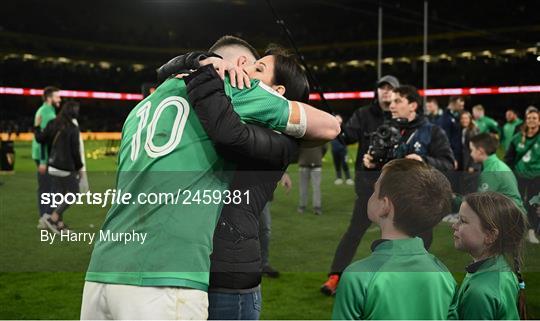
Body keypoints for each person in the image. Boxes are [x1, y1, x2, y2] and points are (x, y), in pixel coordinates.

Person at [81, 36, 338, 320]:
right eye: (253, 66)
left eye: (259, 69)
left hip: (105, 265)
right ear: (237, 64)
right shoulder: (234, 89)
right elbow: (329, 127)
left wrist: (189, 61)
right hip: (166, 270)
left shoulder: (147, 103)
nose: (249, 73)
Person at [322, 84, 454, 295]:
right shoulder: (384, 129)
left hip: (415, 203)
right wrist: (369, 165)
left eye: (397, 101)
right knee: (353, 234)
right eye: (390, 101)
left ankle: (410, 287)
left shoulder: (431, 131)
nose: (391, 105)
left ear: (412, 105)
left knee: (418, 246)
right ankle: (335, 276)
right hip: (379, 197)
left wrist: (423, 160)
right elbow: (374, 165)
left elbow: (449, 163)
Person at [332, 159, 457, 320]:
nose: (372, 192)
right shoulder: (443, 274)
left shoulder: (357, 277)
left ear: (385, 206)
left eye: (375, 189)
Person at [452, 192, 527, 319]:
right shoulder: (501, 267)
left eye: (463, 221)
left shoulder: (479, 293)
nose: (454, 225)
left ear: (490, 235)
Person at [34, 101, 82, 233]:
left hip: (53, 166)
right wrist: (79, 168)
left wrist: (37, 126)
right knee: (74, 193)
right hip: (66, 167)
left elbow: (40, 139)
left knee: (59, 195)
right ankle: (53, 218)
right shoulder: (73, 128)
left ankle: (59, 224)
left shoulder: (53, 123)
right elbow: (75, 151)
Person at [505, 107, 540, 244]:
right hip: (519, 175)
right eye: (529, 118)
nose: (531, 120)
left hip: (537, 177)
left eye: (534, 118)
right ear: (526, 120)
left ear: (539, 121)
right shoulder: (517, 138)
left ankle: (531, 232)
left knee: (533, 203)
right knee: (515, 202)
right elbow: (509, 158)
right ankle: (516, 230)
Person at [467, 133, 525, 213]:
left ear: (480, 151)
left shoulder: (491, 171)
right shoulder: (497, 164)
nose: (471, 154)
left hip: (511, 217)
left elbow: (480, 203)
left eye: (472, 150)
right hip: (513, 213)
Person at [33, 86, 61, 228]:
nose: (60, 99)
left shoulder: (47, 111)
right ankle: (45, 217)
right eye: (57, 97)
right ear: (49, 98)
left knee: (47, 187)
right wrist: (43, 162)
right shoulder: (47, 114)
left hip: (43, 155)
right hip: (44, 156)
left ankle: (44, 217)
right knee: (48, 187)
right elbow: (43, 141)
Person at [260, 173, 292, 279]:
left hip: (263, 191)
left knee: (265, 229)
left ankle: (263, 265)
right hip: (242, 189)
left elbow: (272, 157)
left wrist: (283, 174)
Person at [297, 145, 326, 215]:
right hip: (315, 162)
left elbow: (296, 149)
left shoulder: (302, 136)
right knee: (316, 187)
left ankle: (302, 206)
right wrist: (319, 156)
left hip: (305, 163)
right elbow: (325, 148)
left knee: (304, 187)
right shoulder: (320, 136)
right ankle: (316, 207)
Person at [440, 95, 465, 169]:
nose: (462, 106)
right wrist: (452, 158)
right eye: (460, 103)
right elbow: (445, 140)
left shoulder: (455, 116)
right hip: (453, 156)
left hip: (459, 155)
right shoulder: (445, 119)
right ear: (454, 103)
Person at [459, 111, 481, 193]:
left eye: (466, 118)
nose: (464, 120)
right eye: (462, 118)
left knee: (472, 188)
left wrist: (473, 165)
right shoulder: (464, 130)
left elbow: (478, 149)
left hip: (472, 164)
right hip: (466, 162)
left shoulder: (473, 131)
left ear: (470, 119)